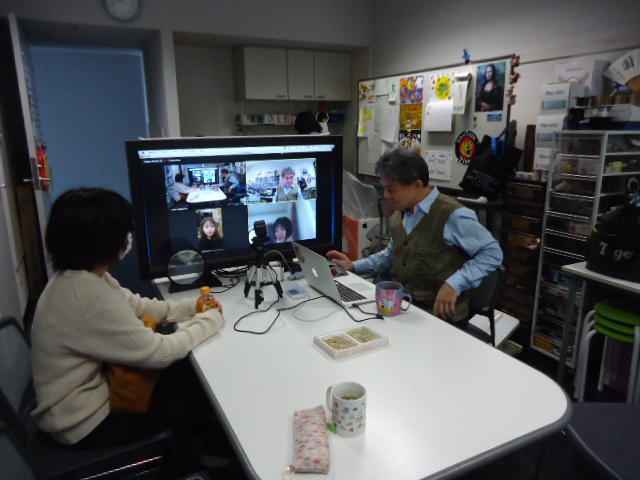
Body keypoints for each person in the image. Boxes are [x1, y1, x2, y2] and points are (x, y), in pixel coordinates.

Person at [30, 187, 225, 450]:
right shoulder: (86, 296)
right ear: (106, 241)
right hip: (83, 423)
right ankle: (198, 455)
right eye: (125, 231)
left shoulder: (82, 277)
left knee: (186, 373)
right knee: (191, 387)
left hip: (84, 398)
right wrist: (210, 321)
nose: (129, 238)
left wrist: (193, 306)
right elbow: (159, 353)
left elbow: (141, 307)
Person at [327, 149, 502, 322]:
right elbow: (392, 253)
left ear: (417, 185)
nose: (386, 196)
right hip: (403, 307)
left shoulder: (452, 215)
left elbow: (492, 253)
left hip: (439, 316)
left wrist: (454, 284)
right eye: (385, 189)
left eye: (391, 189)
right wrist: (354, 266)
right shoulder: (400, 213)